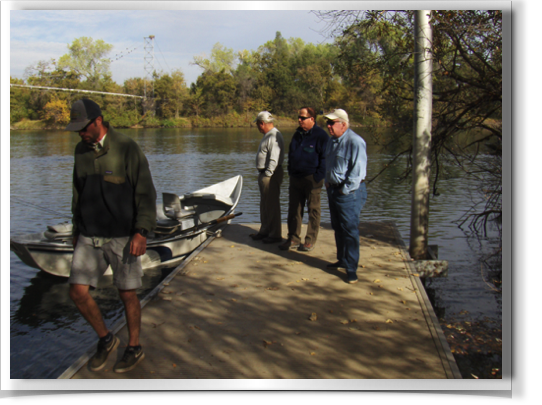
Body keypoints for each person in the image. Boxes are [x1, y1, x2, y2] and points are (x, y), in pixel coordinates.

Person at [66, 99, 157, 373]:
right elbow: (77, 193)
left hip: (122, 236)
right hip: (89, 234)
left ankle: (134, 346)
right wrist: (75, 228)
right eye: (76, 129)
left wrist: (141, 232)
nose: (79, 133)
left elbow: (145, 192)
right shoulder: (80, 152)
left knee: (127, 293)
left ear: (98, 121)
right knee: (77, 292)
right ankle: (106, 338)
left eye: (82, 127)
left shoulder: (126, 147)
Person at [323, 109, 368, 284]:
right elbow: (328, 163)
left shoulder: (355, 142)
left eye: (332, 122)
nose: (328, 126)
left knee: (350, 229)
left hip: (349, 192)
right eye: (328, 122)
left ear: (343, 124)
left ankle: (351, 269)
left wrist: (344, 190)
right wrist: (328, 182)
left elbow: (358, 172)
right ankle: (342, 259)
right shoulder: (332, 141)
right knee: (337, 226)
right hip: (333, 190)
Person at [279, 107, 329, 252]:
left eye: (303, 118)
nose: (300, 120)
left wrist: (318, 176)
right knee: (294, 209)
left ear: (312, 119)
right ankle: (293, 238)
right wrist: (291, 170)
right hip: (296, 177)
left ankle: (309, 240)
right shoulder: (297, 134)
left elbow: (325, 158)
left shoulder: (321, 136)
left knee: (313, 209)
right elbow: (292, 154)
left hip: (312, 178)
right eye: (299, 118)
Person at [250, 111, 285, 244]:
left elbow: (274, 158)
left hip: (270, 175)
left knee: (272, 205)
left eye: (258, 124)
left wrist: (268, 174)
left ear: (262, 123)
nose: (257, 127)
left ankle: (275, 234)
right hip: (265, 174)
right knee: (264, 204)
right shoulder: (268, 135)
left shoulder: (274, 136)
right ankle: (265, 230)